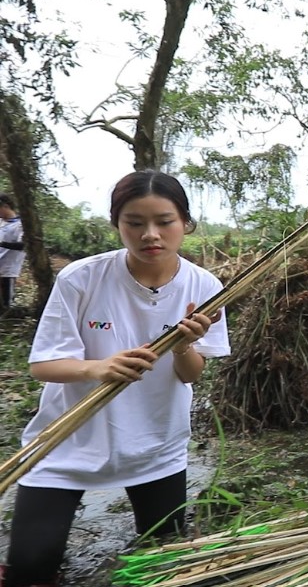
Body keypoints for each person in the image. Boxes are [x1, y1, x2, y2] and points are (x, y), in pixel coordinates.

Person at [2, 171, 230, 587]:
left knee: (161, 560)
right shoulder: (81, 278)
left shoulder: (204, 286)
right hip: (66, 441)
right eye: (134, 222)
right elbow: (43, 365)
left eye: (164, 221)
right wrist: (98, 367)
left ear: (185, 224)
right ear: (116, 224)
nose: (150, 235)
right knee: (31, 567)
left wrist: (182, 346)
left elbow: (191, 374)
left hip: (155, 445)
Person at [0, 193, 26, 309]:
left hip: (8, 269)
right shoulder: (1, 222)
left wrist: (2, 244)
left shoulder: (20, 225)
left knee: (7, 301)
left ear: (5, 206)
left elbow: (23, 245)